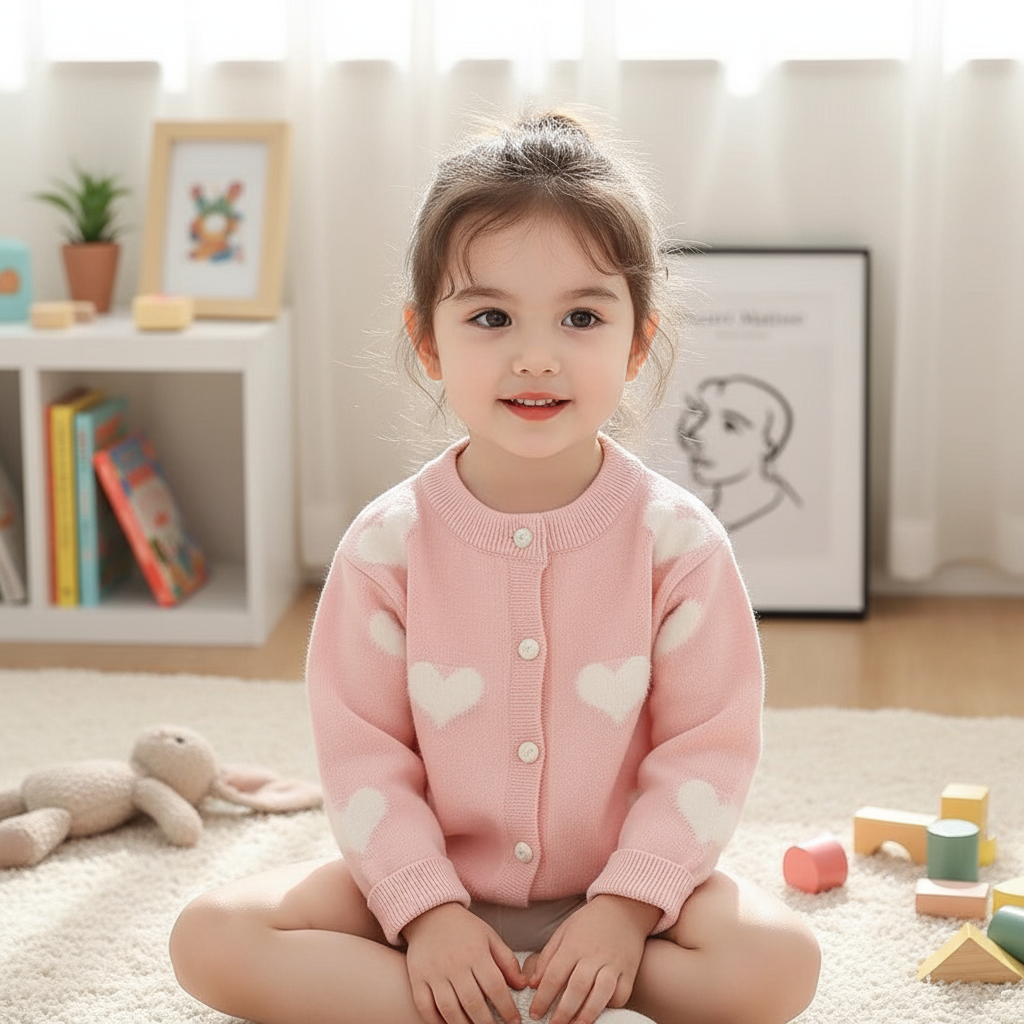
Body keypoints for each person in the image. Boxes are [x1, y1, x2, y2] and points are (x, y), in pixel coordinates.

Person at [169, 111, 820, 1024]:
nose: (536, 355)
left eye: (583, 316)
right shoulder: (384, 547)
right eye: (490, 316)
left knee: (782, 962)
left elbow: (706, 750)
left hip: (627, 900)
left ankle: (522, 996)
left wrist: (626, 911)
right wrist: (426, 911)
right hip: (423, 898)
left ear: (637, 340)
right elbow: (364, 759)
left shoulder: (680, 543)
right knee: (210, 935)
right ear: (428, 338)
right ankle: (499, 999)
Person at [676, 374, 802, 533]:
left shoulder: (787, 525)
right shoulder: (694, 522)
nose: (696, 432)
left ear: (768, 446)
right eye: (700, 414)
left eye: (729, 426)